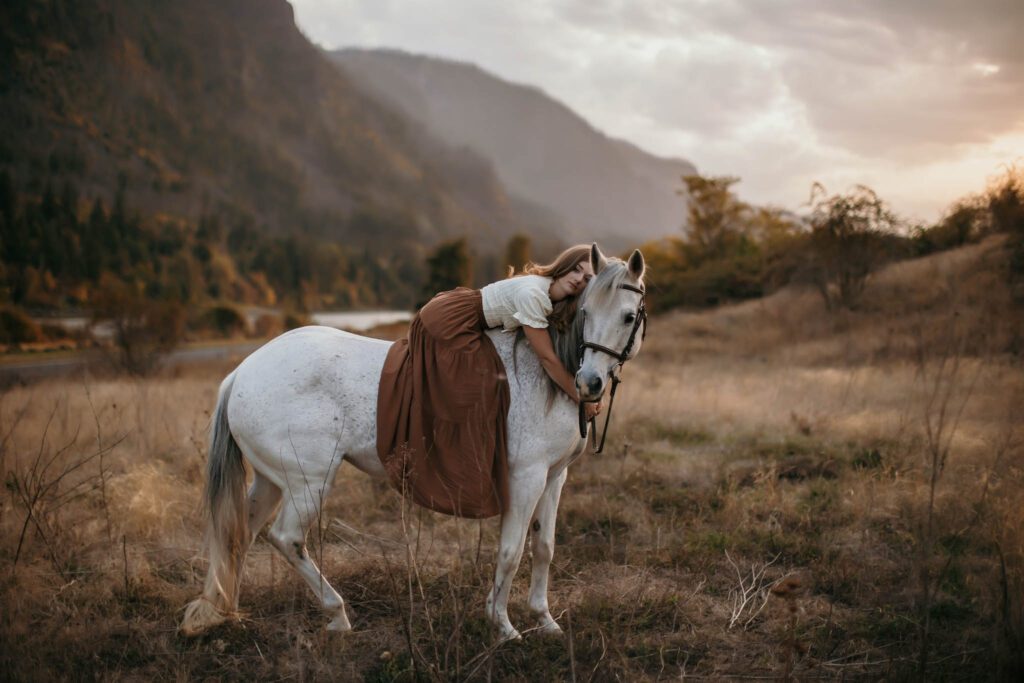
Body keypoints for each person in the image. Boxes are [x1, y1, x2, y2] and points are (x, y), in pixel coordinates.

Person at [376, 244, 600, 519]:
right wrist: (582, 399)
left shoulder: (555, 296)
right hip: (451, 320)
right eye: (576, 269)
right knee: (480, 383)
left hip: (469, 320)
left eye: (588, 278)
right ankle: (449, 454)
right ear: (564, 265)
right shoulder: (534, 293)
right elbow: (548, 359)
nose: (579, 279)